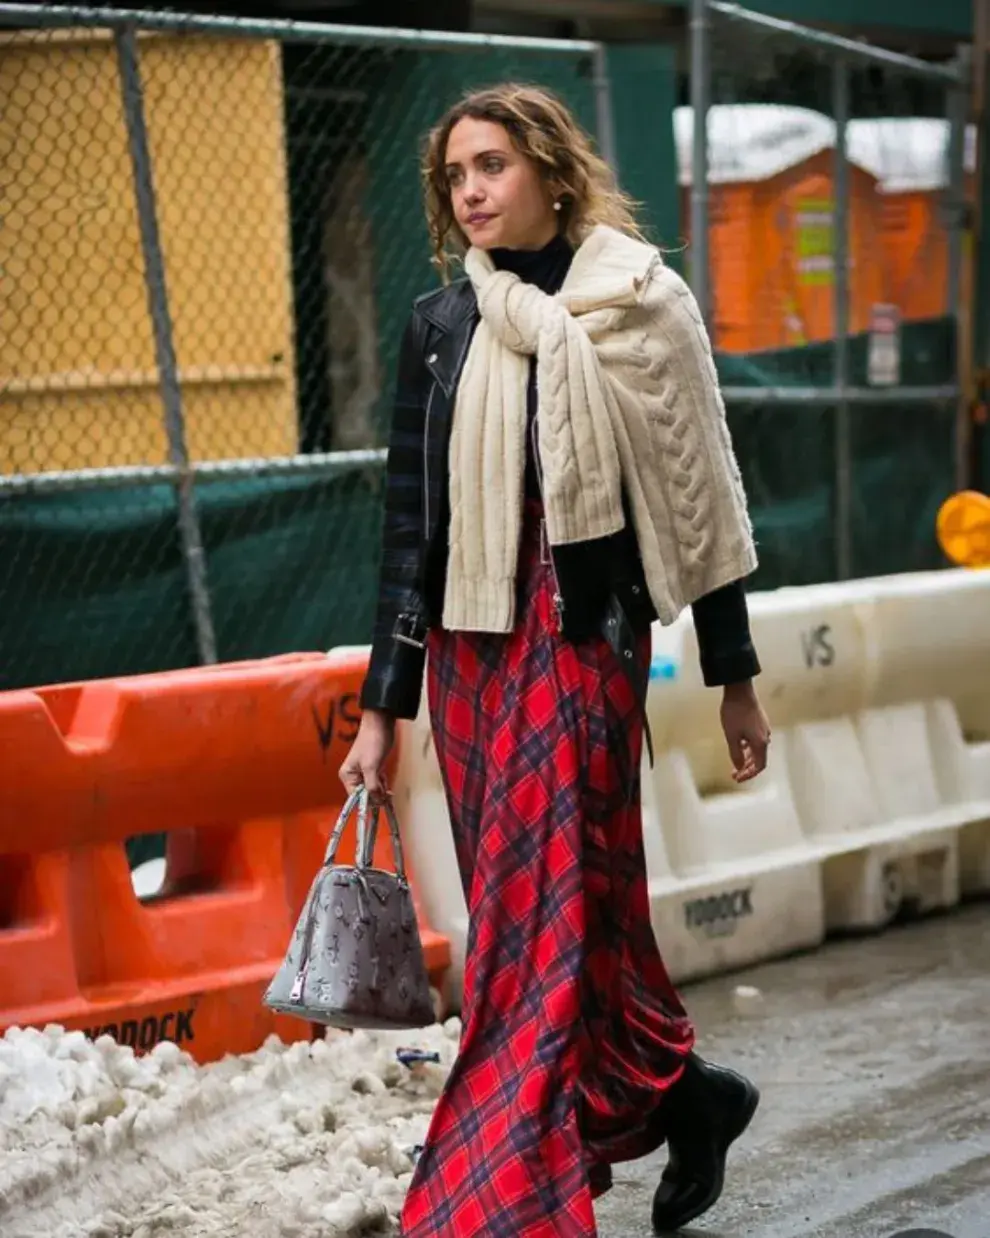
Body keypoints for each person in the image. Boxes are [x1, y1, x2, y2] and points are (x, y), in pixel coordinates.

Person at [340, 82, 772, 1237]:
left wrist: (734, 673)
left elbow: (703, 500)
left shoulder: (639, 302)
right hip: (473, 661)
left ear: (551, 168)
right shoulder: (442, 325)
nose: (471, 191)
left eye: (491, 165)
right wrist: (384, 704)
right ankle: (688, 1094)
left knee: (539, 926)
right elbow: (409, 530)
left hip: (584, 647)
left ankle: (508, 1195)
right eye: (454, 177)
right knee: (574, 911)